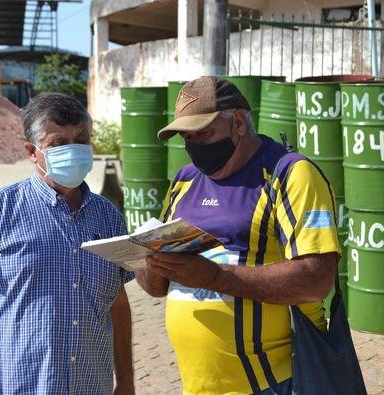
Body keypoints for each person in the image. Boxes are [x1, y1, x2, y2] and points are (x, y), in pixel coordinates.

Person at [136, 76, 341, 394]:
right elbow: (156, 287)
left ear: (240, 122)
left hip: (278, 382)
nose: (195, 147)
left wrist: (215, 277)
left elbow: (317, 279)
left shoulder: (290, 174)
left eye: (204, 133)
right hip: (198, 385)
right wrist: (144, 262)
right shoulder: (184, 181)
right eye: (187, 137)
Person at [0, 93, 135, 394]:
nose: (72, 150)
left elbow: (118, 304)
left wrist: (126, 381)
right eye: (58, 143)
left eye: (81, 139)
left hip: (91, 386)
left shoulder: (108, 217)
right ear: (32, 152)